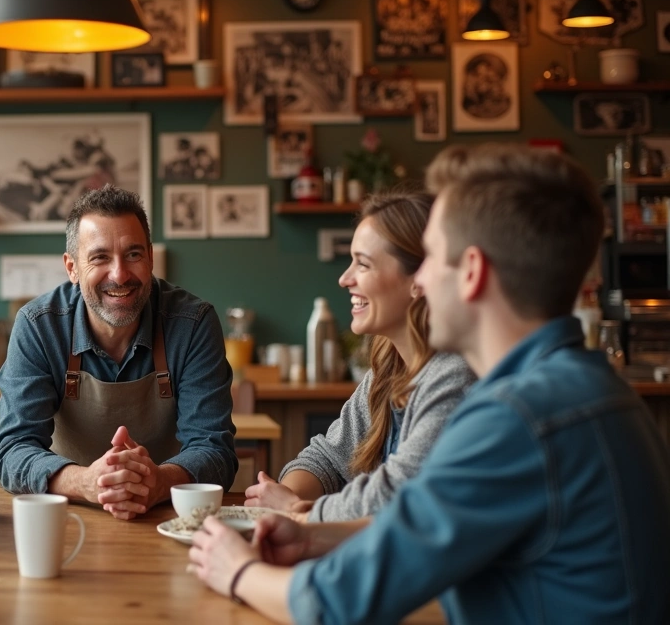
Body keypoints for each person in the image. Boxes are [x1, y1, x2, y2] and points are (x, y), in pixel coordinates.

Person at [188, 144, 670, 623]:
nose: (420, 283)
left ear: (473, 273)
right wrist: (312, 535)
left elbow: (339, 602)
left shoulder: (516, 418)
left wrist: (237, 570)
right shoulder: (589, 387)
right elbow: (422, 527)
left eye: (433, 257)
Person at [0, 184, 238, 521]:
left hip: (167, 516)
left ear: (150, 258)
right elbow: (12, 450)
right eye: (100, 257)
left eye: (133, 254)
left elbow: (215, 450)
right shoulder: (39, 326)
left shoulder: (192, 323)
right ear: (72, 268)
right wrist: (86, 482)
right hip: (70, 516)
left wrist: (158, 481)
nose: (119, 274)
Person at [244, 192, 474, 523]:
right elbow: (325, 458)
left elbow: (398, 497)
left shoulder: (455, 375)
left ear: (419, 279)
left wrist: (297, 512)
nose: (344, 278)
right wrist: (285, 498)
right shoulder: (386, 372)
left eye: (362, 264)